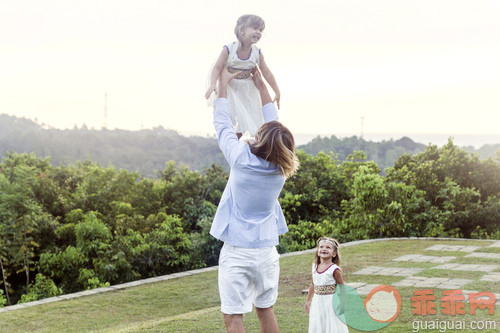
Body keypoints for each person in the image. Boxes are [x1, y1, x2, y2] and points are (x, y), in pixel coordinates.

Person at [211, 66, 298, 333]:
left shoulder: (240, 157)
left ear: (260, 140)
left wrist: (223, 86)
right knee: (265, 309)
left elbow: (223, 124)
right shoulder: (282, 168)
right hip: (267, 252)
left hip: (237, 251)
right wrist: (262, 88)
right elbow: (276, 128)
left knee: (234, 317)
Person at [205, 14, 281, 138]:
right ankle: (233, 140)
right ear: (242, 30)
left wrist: (277, 91)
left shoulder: (257, 52)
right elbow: (217, 67)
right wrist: (213, 83)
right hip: (230, 86)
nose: (258, 32)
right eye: (255, 28)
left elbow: (267, 72)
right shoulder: (229, 49)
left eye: (260, 30)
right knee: (230, 116)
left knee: (250, 115)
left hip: (247, 88)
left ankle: (250, 140)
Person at [305, 237, 349, 333]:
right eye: (321, 247)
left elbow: (342, 287)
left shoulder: (334, 269)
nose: (324, 249)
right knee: (318, 323)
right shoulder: (315, 266)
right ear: (317, 251)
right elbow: (313, 283)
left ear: (334, 254)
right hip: (317, 302)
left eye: (328, 247)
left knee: (331, 324)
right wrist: (308, 300)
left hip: (331, 303)